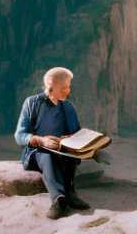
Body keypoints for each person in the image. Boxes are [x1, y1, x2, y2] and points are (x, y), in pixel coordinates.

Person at [14, 66, 92, 219]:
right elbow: (20, 135)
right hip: (38, 154)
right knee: (48, 156)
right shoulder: (31, 103)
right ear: (51, 87)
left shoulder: (68, 106)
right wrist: (40, 140)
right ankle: (58, 198)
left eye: (69, 86)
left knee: (69, 155)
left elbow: (76, 133)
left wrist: (78, 142)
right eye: (65, 87)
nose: (68, 91)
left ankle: (69, 193)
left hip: (62, 151)